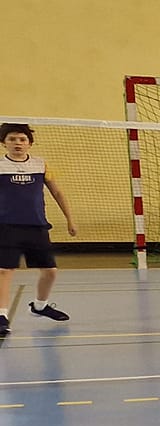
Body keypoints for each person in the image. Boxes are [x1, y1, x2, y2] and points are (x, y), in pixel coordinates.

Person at [0, 123, 79, 339]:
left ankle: (40, 306)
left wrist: (70, 219)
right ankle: (2, 316)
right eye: (12, 139)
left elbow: (57, 192)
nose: (17, 143)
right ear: (4, 143)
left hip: (36, 226)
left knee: (50, 271)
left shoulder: (41, 164)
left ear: (30, 143)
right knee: (5, 270)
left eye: (22, 139)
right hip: (6, 227)